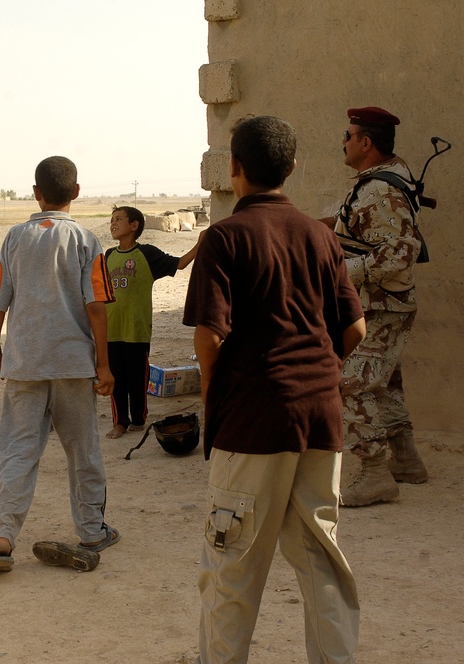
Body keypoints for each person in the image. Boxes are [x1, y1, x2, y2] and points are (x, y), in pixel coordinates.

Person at [184, 116, 366, 663]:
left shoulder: (225, 237)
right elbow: (353, 329)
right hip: (320, 415)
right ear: (290, 168)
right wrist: (317, 373)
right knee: (320, 561)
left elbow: (209, 335)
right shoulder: (319, 234)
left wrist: (216, 388)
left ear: (235, 168)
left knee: (231, 569)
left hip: (253, 419)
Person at [0, 156, 120, 572]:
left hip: (24, 363)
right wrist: (104, 364)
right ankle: (93, 530)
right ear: (76, 192)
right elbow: (96, 308)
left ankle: (2, 536)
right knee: (83, 449)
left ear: (35, 192)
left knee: (18, 451)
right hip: (74, 364)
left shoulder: (15, 238)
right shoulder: (86, 241)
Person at [326, 107, 429, 507]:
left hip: (382, 305)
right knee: (384, 383)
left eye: (348, 135)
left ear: (365, 142)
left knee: (351, 383)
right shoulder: (383, 180)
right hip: (387, 304)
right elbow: (357, 224)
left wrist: (341, 272)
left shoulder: (381, 189)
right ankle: (406, 461)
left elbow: (403, 251)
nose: (344, 142)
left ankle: (374, 474)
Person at [104, 206, 202, 439]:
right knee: (115, 379)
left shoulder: (147, 254)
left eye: (119, 219)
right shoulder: (108, 256)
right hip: (111, 330)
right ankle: (120, 422)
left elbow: (179, 264)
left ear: (134, 225)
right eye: (111, 220)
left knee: (138, 378)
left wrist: (200, 245)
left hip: (137, 330)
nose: (113, 224)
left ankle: (138, 419)